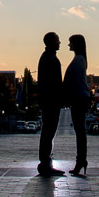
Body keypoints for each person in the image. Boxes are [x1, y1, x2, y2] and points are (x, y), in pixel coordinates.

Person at [37, 31, 64, 176]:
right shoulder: (49, 58)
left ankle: (46, 161)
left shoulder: (48, 57)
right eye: (57, 40)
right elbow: (53, 83)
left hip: (50, 100)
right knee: (48, 131)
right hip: (51, 101)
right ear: (51, 41)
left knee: (48, 131)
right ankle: (45, 162)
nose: (59, 42)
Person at [63, 34, 90, 176]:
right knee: (79, 131)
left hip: (79, 98)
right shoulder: (79, 59)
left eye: (70, 42)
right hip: (79, 98)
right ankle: (81, 161)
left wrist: (67, 98)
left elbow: (72, 82)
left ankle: (81, 160)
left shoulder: (79, 60)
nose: (69, 45)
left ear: (76, 44)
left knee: (79, 131)